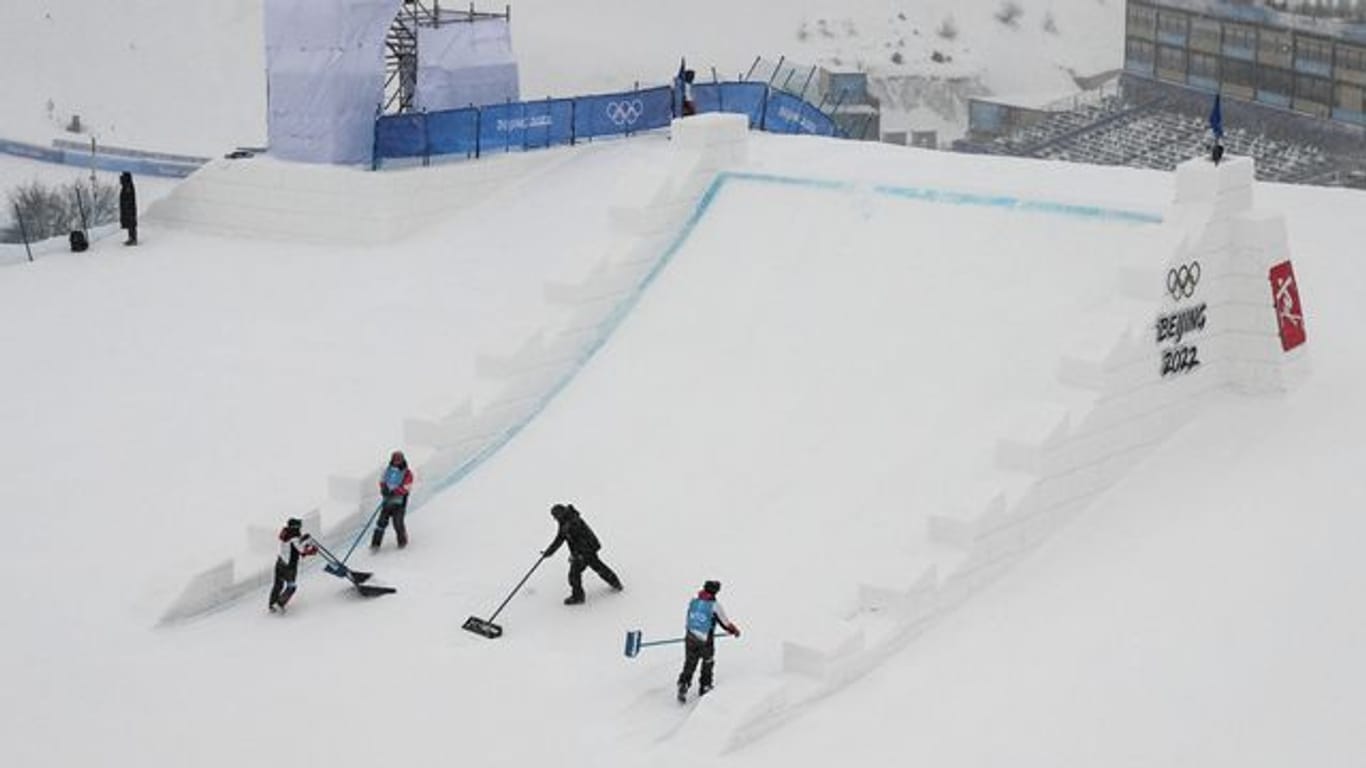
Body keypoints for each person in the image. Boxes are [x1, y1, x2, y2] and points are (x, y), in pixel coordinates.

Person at [541, 503, 622, 604]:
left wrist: (579, 555)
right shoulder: (564, 522)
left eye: (555, 516)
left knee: (575, 574)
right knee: (597, 566)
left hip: (586, 549)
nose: (554, 519)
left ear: (560, 514)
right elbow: (560, 538)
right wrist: (549, 552)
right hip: (583, 550)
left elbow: (582, 539)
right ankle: (615, 583)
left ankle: (578, 597)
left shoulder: (573, 522)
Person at [677, 579, 740, 703]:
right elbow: (725, 623)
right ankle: (705, 686)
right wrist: (734, 631)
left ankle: (683, 684)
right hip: (705, 639)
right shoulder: (714, 606)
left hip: (690, 636)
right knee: (708, 662)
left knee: (690, 662)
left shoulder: (693, 602)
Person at [269, 517, 317, 613]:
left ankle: (272, 604)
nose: (300, 529)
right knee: (292, 587)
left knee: (278, 584)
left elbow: (294, 544)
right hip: (289, 567)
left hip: (280, 563)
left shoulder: (285, 534)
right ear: (296, 528)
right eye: (299, 527)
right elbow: (302, 550)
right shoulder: (294, 538)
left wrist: (303, 539)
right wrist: (312, 550)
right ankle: (280, 603)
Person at [372, 450, 413, 549]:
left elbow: (407, 487)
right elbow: (382, 481)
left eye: (398, 460)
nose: (396, 462)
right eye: (395, 460)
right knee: (381, 522)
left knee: (397, 523)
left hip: (399, 503)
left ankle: (402, 541)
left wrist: (395, 491)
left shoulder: (407, 473)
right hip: (387, 501)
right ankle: (375, 544)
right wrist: (384, 489)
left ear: (402, 460)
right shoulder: (387, 470)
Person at [118, 172, 138, 245]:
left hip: (129, 208)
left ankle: (133, 239)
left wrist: (127, 206)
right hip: (127, 207)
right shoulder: (126, 186)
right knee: (129, 223)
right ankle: (131, 238)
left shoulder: (128, 186)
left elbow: (128, 197)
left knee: (131, 223)